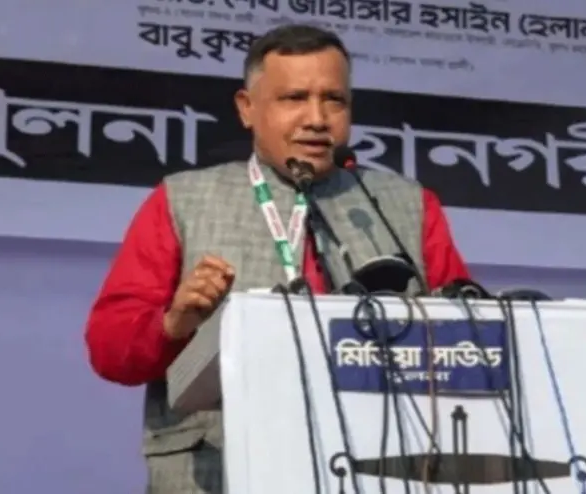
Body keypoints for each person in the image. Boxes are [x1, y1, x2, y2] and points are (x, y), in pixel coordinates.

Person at [85, 23, 470, 494]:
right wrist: (174, 324)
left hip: (376, 466)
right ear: (247, 108)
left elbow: (472, 337)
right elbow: (109, 350)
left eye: (334, 100)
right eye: (294, 98)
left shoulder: (405, 206)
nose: (317, 118)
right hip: (221, 470)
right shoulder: (183, 200)